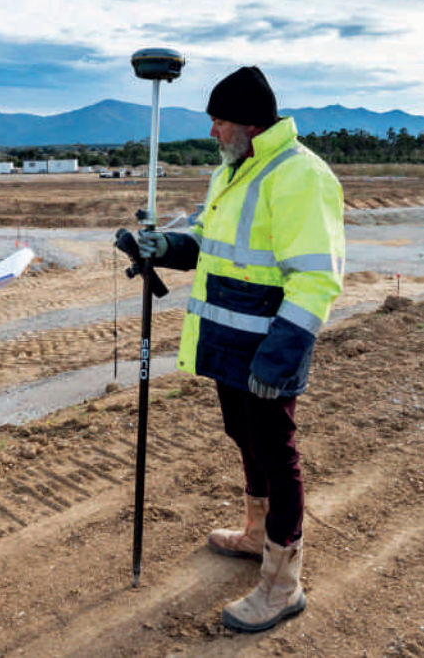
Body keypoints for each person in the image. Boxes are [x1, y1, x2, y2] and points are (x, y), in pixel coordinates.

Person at [116, 66, 344, 633]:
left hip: (267, 347)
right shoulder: (235, 172)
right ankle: (254, 533)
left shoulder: (299, 175)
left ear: (246, 122)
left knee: (276, 454)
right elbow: (212, 247)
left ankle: (282, 582)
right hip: (228, 344)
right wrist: (165, 245)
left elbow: (317, 278)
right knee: (243, 438)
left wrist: (279, 357)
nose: (213, 132)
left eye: (218, 121)